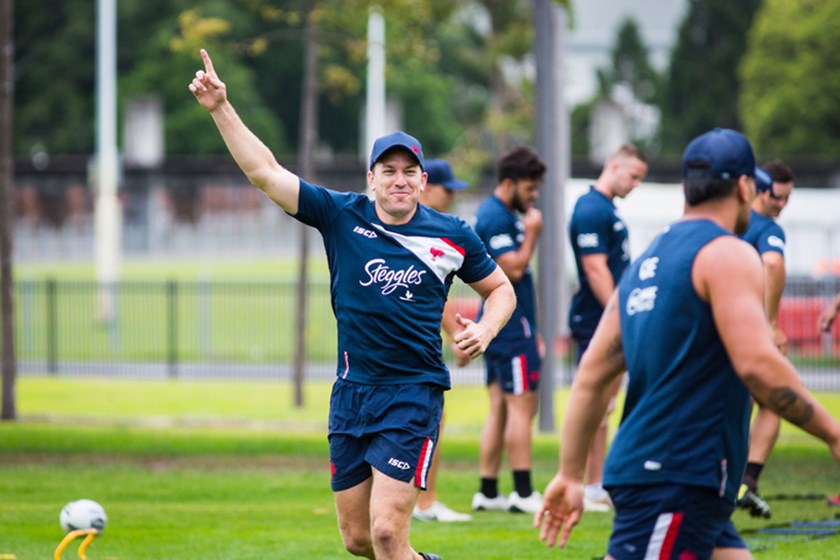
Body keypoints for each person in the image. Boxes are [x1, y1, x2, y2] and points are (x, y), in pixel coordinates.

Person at [189, 49, 516, 560]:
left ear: (424, 182)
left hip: (413, 393)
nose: (400, 179)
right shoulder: (342, 215)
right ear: (372, 178)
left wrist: (488, 330)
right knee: (359, 540)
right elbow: (266, 173)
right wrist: (220, 109)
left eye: (411, 171)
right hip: (352, 395)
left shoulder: (453, 235)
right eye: (389, 170)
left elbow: (502, 289)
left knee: (387, 533)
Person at [535, 128, 840, 559]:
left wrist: (569, 474)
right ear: (744, 186)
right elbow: (758, 365)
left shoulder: (646, 262)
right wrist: (833, 433)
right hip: (675, 477)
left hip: (673, 478)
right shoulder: (728, 254)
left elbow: (592, 375)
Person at [567, 144, 648, 511]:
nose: (635, 184)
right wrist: (621, 314)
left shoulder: (607, 209)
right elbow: (595, 269)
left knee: (607, 403)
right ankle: (591, 483)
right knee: (597, 402)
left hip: (606, 318)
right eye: (633, 176)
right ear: (614, 166)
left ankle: (597, 482)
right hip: (595, 320)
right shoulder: (591, 209)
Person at [471, 146, 547, 515]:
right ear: (508, 183)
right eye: (530, 189)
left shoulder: (501, 214)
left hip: (513, 326)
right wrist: (532, 234)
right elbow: (512, 270)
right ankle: (522, 490)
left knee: (501, 406)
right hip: (510, 328)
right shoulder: (496, 217)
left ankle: (487, 491)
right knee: (521, 406)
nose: (534, 197)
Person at [412, 158, 472, 523]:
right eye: (448, 190)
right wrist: (457, 333)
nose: (452, 197)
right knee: (432, 416)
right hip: (406, 358)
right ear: (428, 186)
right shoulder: (419, 231)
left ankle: (424, 501)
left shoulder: (440, 230)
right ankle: (425, 503)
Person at [736, 160, 796, 519]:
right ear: (760, 190)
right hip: (747, 334)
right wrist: (771, 323)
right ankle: (746, 482)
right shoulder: (766, 229)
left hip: (716, 332)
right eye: (777, 197)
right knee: (775, 401)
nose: (781, 205)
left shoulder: (725, 223)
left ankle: (737, 483)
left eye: (788, 199)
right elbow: (773, 264)